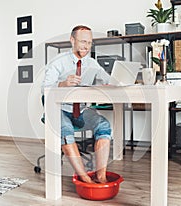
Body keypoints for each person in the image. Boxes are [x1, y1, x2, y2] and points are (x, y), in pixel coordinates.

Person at [41, 25, 112, 183]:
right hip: (59, 109)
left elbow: (108, 80)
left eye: (89, 42)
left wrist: (121, 81)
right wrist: (63, 84)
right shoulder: (59, 62)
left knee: (104, 125)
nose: (86, 46)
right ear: (72, 40)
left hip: (81, 111)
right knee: (66, 130)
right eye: (83, 41)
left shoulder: (92, 63)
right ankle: (85, 178)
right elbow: (44, 88)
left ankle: (101, 176)